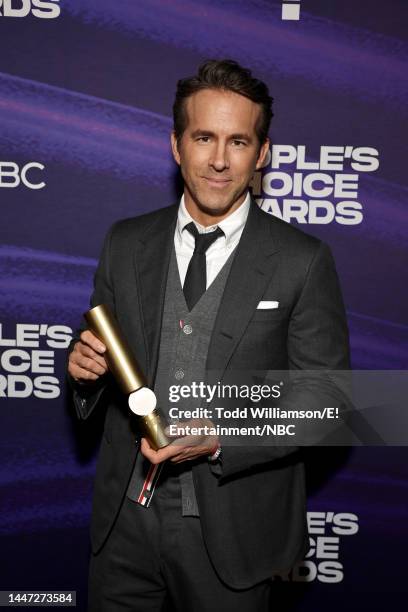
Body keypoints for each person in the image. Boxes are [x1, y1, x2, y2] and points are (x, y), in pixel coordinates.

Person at [67, 59, 350, 611]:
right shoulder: (124, 242)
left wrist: (222, 437)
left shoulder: (302, 260)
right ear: (177, 145)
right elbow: (99, 366)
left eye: (238, 141)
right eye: (203, 138)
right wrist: (83, 376)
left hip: (234, 531)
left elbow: (328, 398)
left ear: (262, 153)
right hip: (123, 525)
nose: (219, 161)